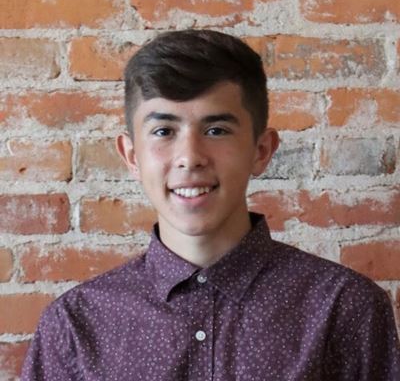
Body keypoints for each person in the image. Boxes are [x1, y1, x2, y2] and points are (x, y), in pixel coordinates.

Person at [21, 29, 400, 380]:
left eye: (216, 130)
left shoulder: (345, 309)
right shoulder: (74, 325)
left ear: (261, 150)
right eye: (164, 131)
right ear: (132, 156)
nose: (190, 157)